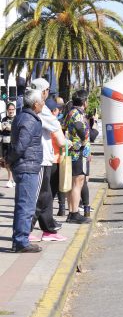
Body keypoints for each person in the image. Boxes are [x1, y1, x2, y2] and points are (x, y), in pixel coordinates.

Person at [29, 79, 70, 240]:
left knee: (45, 195)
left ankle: (48, 229)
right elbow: (56, 130)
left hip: (44, 157)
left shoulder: (32, 107)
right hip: (40, 158)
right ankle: (26, 230)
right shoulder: (41, 108)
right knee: (39, 196)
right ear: (43, 91)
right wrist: (68, 142)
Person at [8, 89, 45, 252]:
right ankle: (21, 241)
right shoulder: (29, 120)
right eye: (42, 101)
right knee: (26, 205)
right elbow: (20, 146)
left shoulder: (23, 117)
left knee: (22, 205)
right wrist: (9, 160)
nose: (44, 104)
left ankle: (19, 240)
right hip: (27, 166)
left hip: (25, 165)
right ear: (35, 104)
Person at [63, 89, 92, 224]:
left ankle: (71, 212)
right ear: (84, 102)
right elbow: (81, 131)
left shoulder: (70, 112)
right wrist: (86, 140)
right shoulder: (77, 114)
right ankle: (74, 213)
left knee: (74, 183)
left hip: (74, 153)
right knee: (77, 182)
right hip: (78, 153)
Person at [1, 102, 16, 187]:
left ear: (14, 110)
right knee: (6, 163)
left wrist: (11, 128)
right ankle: (12, 179)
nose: (11, 111)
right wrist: (2, 128)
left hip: (13, 143)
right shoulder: (4, 119)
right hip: (5, 143)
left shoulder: (17, 118)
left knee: (11, 162)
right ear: (7, 110)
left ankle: (10, 179)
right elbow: (1, 129)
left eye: (12, 109)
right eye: (9, 109)